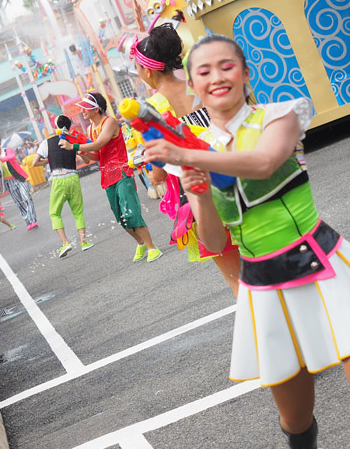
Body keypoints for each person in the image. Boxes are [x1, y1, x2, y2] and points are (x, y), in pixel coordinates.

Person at [144, 34, 350, 449]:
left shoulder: (282, 114)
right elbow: (215, 243)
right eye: (205, 71)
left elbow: (264, 163)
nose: (217, 76)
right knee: (295, 418)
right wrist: (197, 190)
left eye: (226, 66)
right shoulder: (194, 151)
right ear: (193, 85)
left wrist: (187, 155)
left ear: (245, 73)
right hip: (263, 286)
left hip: (324, 266)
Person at [132, 23, 240, 295]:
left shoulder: (151, 111)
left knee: (237, 280)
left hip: (199, 193)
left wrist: (150, 170)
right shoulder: (199, 86)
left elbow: (158, 175)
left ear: (147, 70)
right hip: (236, 176)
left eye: (137, 68)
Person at [60, 92, 162, 263]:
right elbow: (97, 156)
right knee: (120, 217)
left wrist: (75, 145)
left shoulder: (110, 122)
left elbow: (100, 143)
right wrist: (79, 151)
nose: (83, 110)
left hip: (122, 172)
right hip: (107, 176)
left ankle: (152, 247)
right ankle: (140, 243)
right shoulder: (91, 129)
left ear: (97, 109)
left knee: (131, 212)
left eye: (86, 107)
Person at [33, 115, 94, 258]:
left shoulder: (47, 143)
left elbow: (35, 162)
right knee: (78, 211)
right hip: (73, 177)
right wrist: (78, 151)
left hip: (58, 179)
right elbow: (85, 159)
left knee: (54, 213)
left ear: (55, 126)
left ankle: (65, 243)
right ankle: (83, 242)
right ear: (69, 126)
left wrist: (50, 160)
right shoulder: (72, 140)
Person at [0, 136, 39, 229]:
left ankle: (33, 220)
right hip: (8, 182)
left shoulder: (7, 150)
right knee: (19, 202)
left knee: (27, 197)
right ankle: (28, 221)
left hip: (18, 178)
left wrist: (1, 159)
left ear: (0, 143)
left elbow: (11, 156)